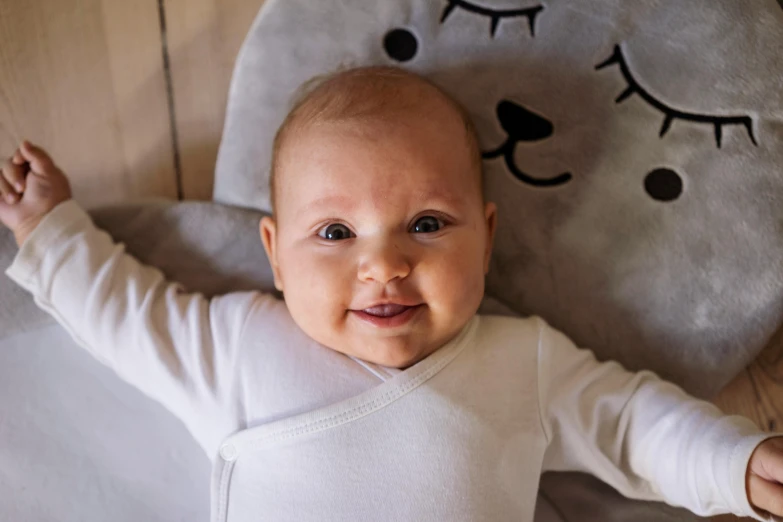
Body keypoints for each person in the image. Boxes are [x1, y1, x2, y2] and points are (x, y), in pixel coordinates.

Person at [1, 66, 782, 522]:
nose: (384, 266)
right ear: (275, 255)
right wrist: (51, 228)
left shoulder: (524, 360)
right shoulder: (238, 345)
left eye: (427, 224)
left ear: (485, 236)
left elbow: (630, 426)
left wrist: (729, 461)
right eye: (335, 234)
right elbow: (124, 315)